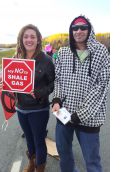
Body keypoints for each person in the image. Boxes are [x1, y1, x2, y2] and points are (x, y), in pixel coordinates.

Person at [52, 15, 110, 172]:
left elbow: (101, 86)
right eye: (75, 28)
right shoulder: (63, 52)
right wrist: (56, 99)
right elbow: (58, 79)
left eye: (83, 27)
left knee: (92, 162)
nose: (78, 31)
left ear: (89, 29)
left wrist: (80, 115)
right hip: (64, 115)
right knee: (64, 155)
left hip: (89, 118)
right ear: (71, 31)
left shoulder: (101, 52)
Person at [14, 24, 55, 172]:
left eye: (32, 36)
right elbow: (12, 79)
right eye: (26, 36)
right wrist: (4, 81)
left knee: (38, 141)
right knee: (29, 140)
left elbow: (53, 84)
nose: (29, 39)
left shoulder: (46, 60)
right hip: (20, 108)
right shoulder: (16, 57)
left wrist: (39, 92)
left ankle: (40, 168)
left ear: (38, 39)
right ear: (21, 39)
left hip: (38, 109)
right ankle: (31, 163)